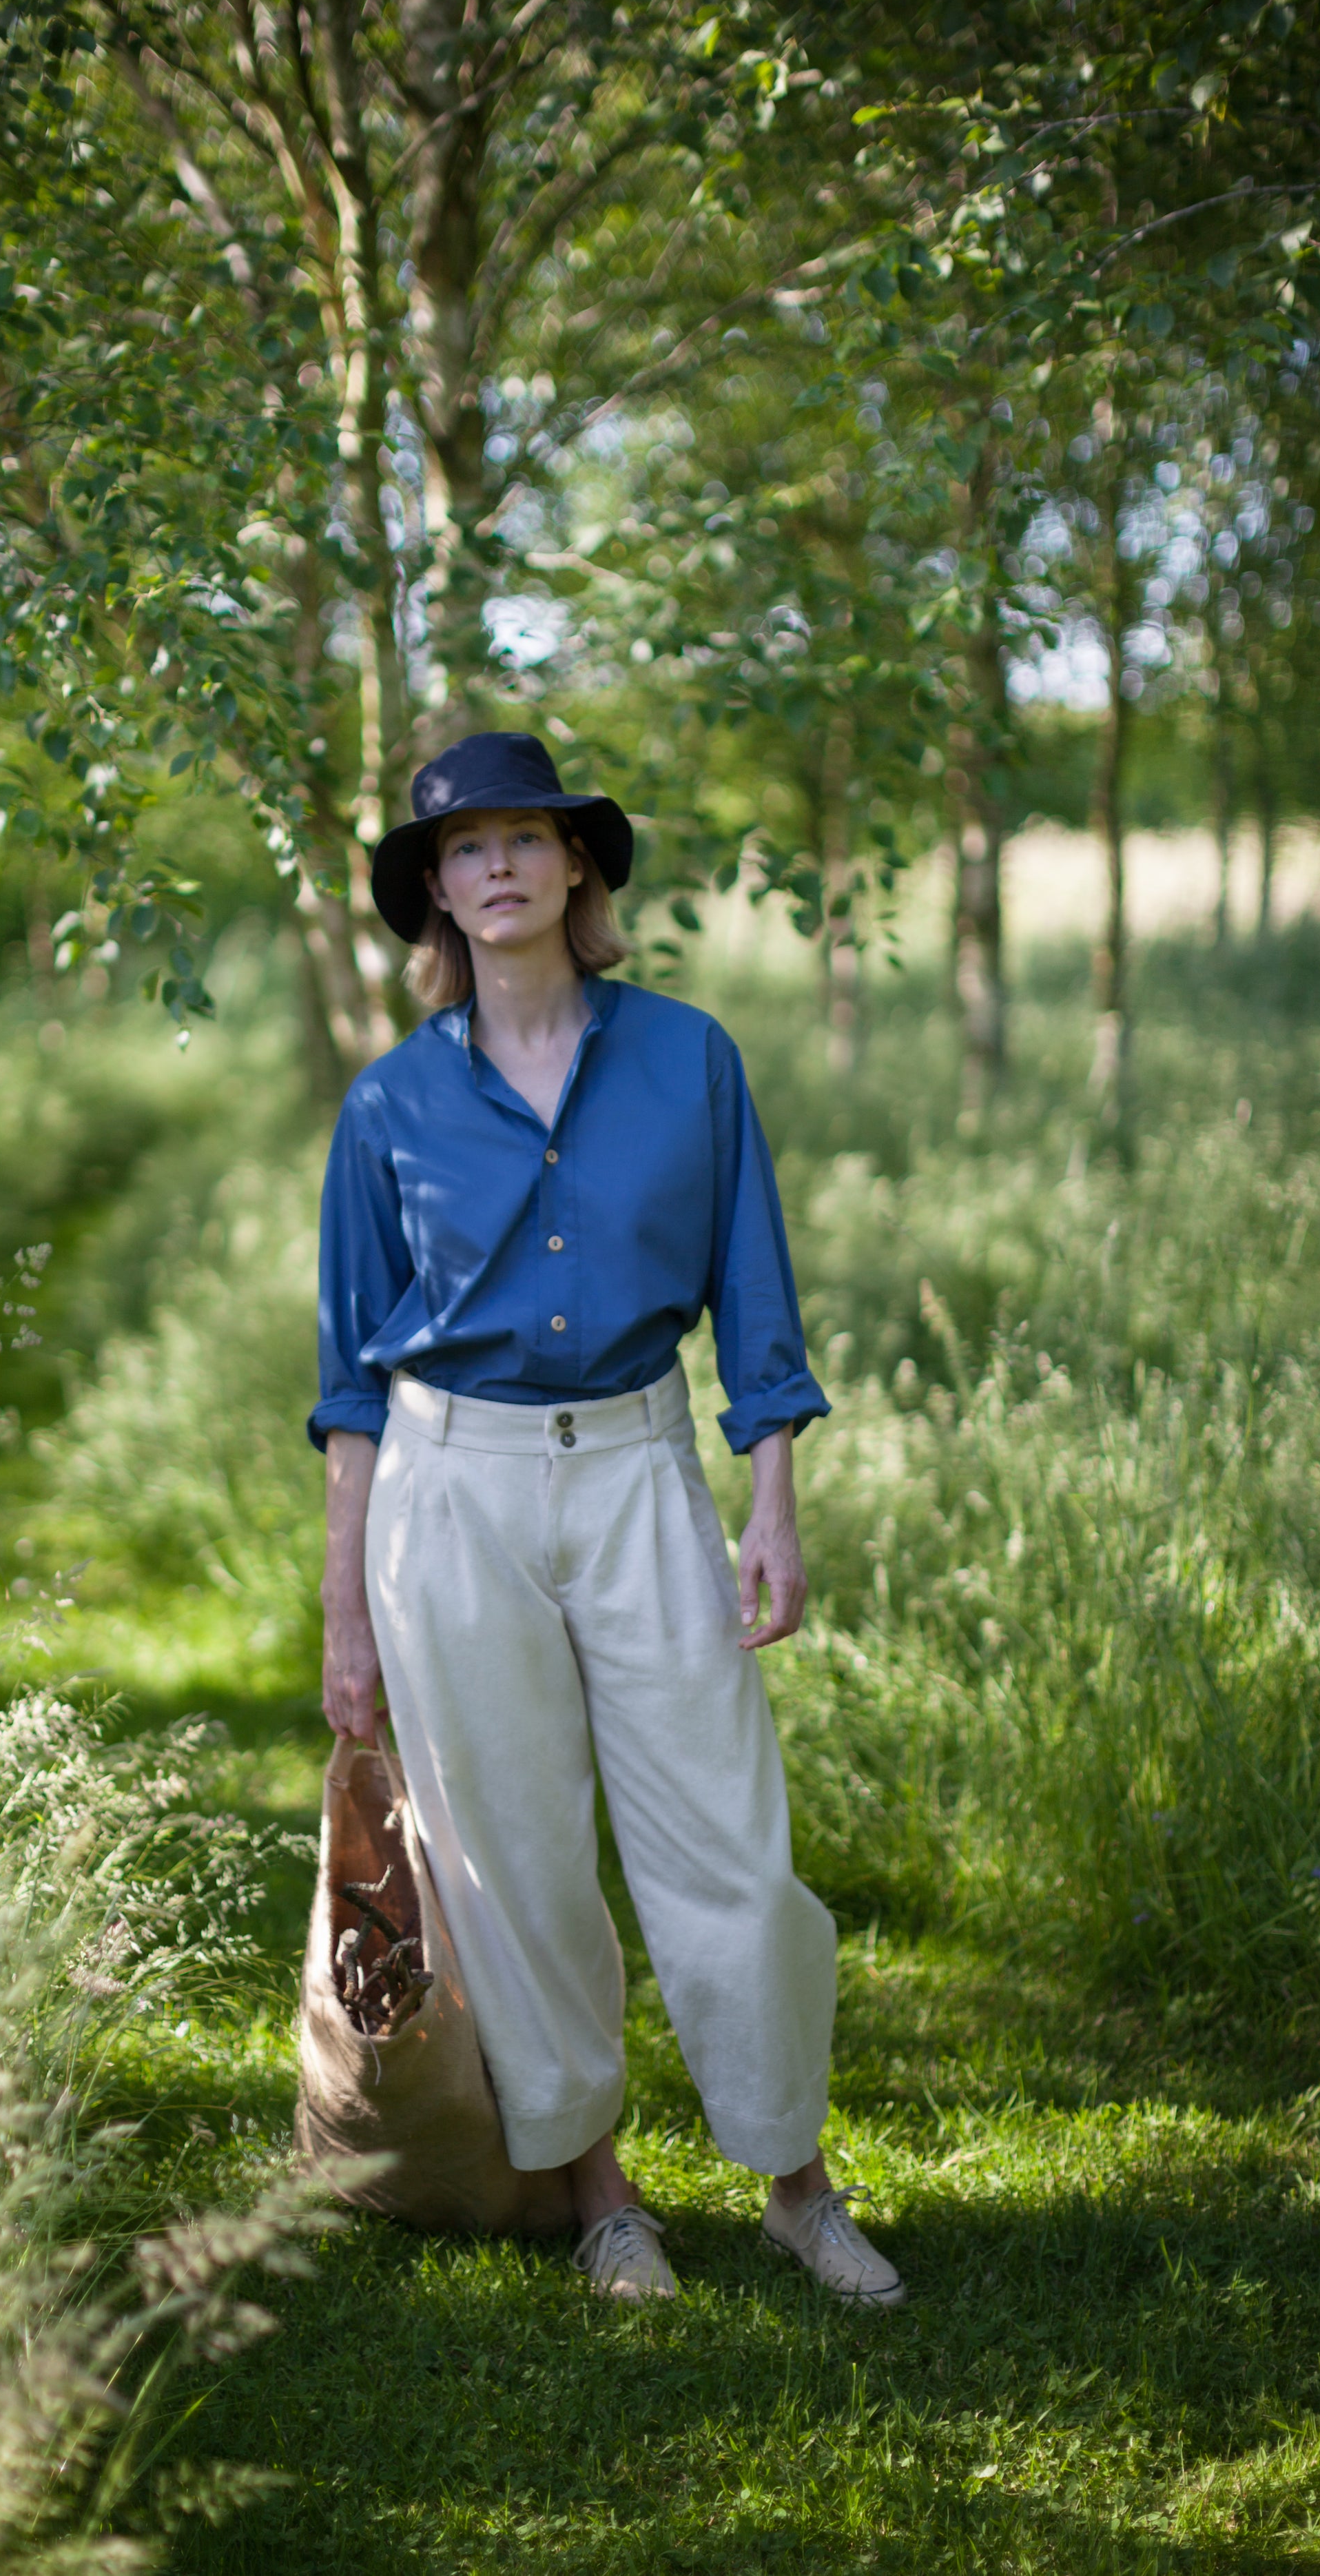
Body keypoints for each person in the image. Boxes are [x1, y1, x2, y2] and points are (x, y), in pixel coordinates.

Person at [309, 730, 905, 2309]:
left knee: (729, 1842)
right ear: (433, 891)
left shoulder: (687, 1058)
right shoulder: (386, 1110)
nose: (497, 865)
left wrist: (771, 1494)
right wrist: (342, 1609)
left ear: (576, 866)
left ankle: (795, 2186)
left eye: (526, 837)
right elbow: (350, 1381)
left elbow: (753, 1296)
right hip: (449, 1494)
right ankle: (601, 2195)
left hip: (640, 1469)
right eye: (464, 848)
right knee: (514, 1862)